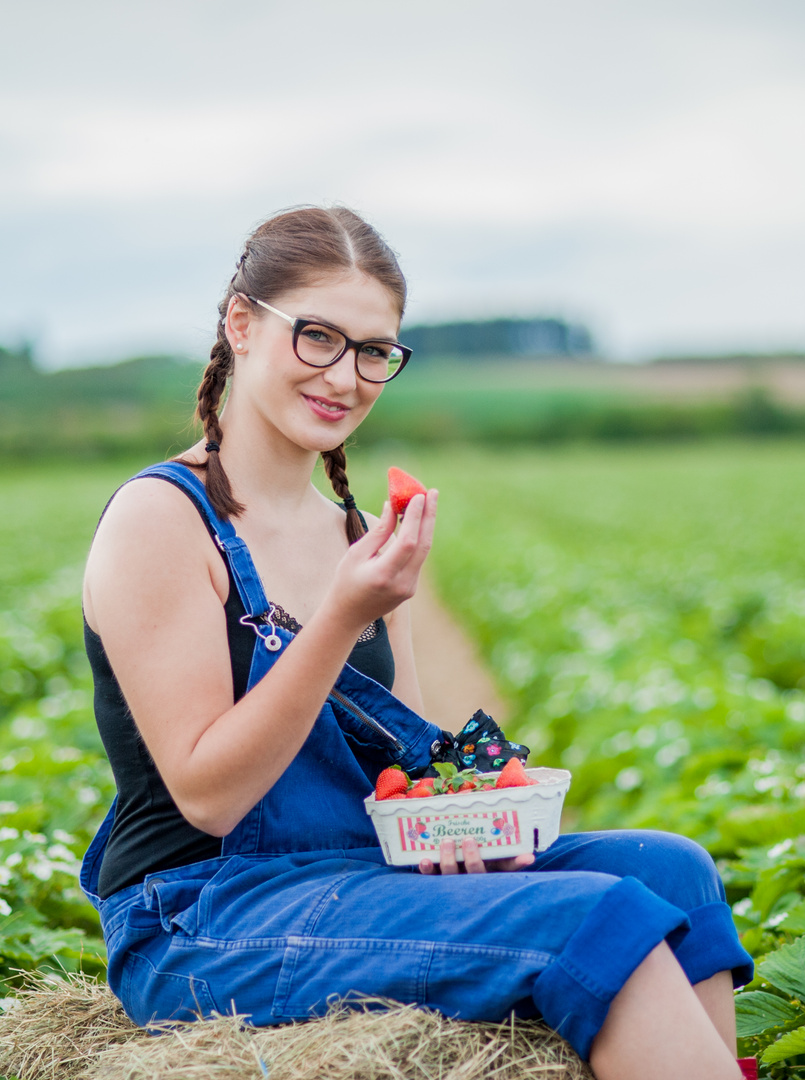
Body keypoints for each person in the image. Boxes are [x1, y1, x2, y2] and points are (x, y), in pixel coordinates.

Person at [77, 206, 753, 1080]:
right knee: (595, 919)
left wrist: (464, 827)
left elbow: (408, 776)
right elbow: (208, 796)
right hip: (203, 912)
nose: (346, 376)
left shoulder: (355, 534)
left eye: (374, 351)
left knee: (671, 873)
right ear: (241, 326)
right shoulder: (161, 520)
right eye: (317, 337)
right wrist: (341, 616)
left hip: (353, 871)